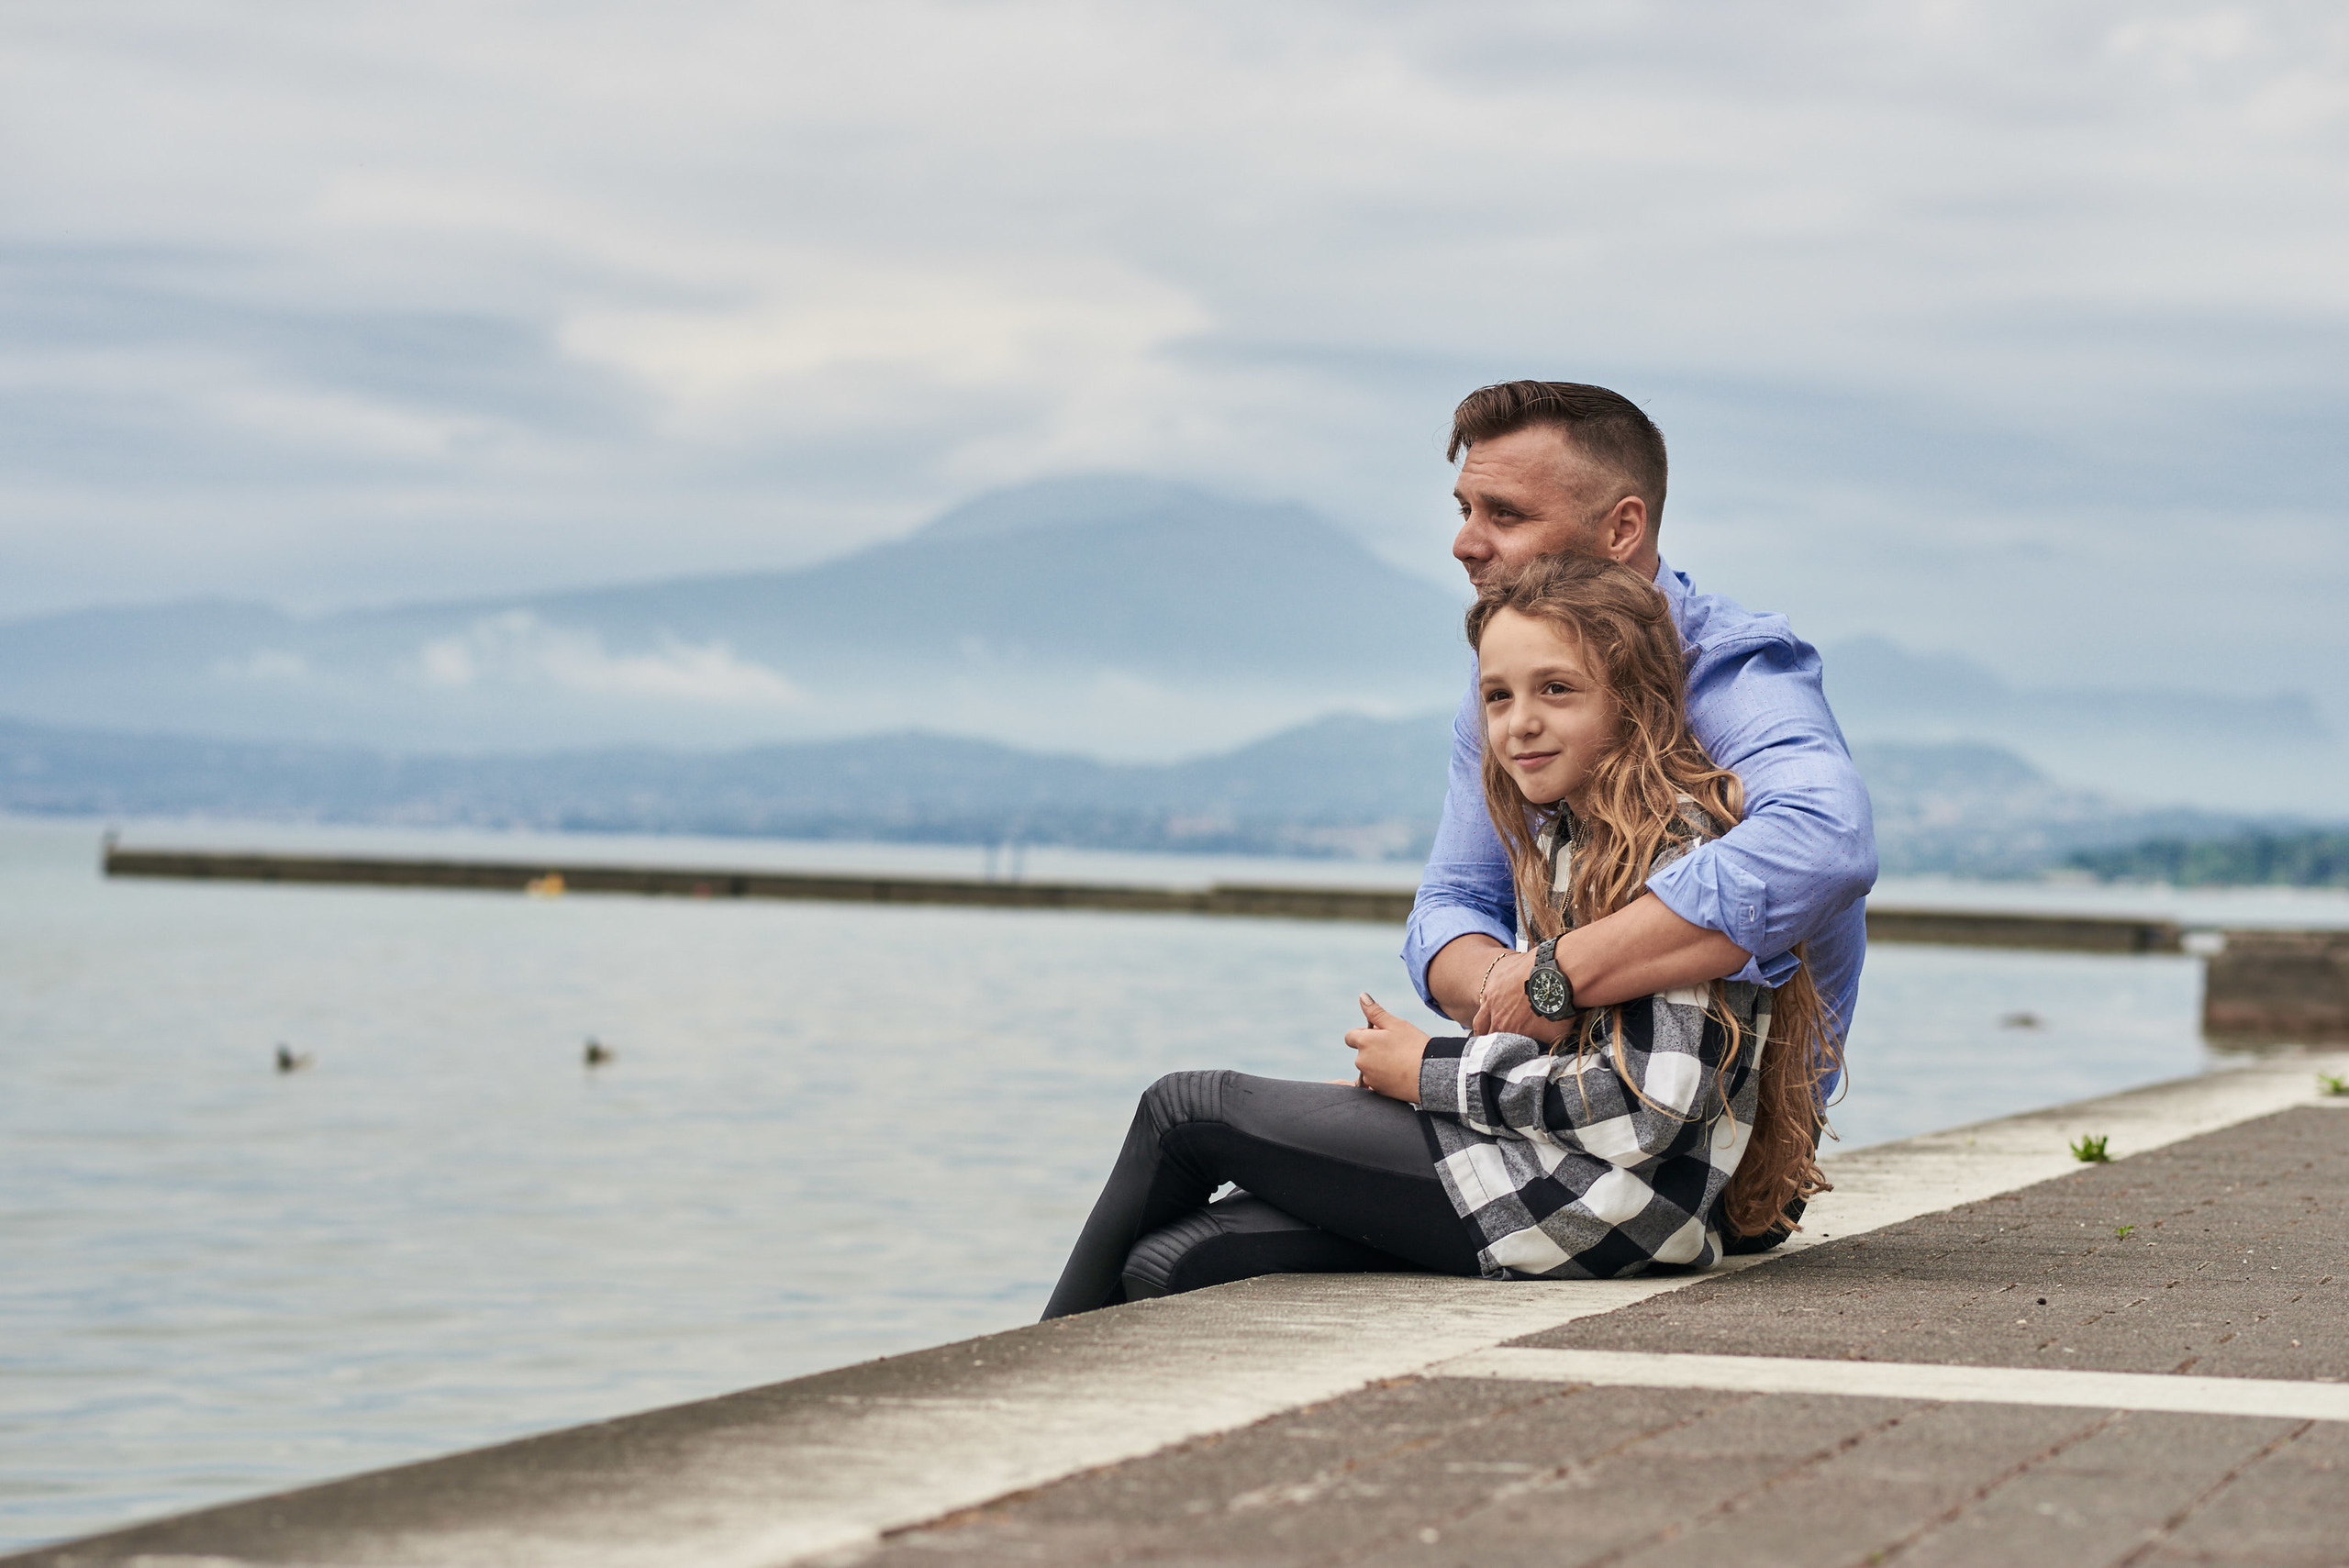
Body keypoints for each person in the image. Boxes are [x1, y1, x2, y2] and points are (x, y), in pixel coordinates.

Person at [1040, 556, 1839, 1317]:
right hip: (1560, 1177)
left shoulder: (1676, 847)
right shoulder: (1573, 836)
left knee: (1185, 1110)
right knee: (1175, 1258)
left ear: (1631, 699)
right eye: (1497, 696)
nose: (1519, 723)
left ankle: (1012, 1388)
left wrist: (1430, 1070)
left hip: (1600, 1206)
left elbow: (1644, 1113)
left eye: (1555, 689)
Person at [1410, 383, 1874, 1129]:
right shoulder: (1501, 690)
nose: (1466, 542)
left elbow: (1828, 835)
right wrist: (1520, 989)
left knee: (1211, 1119)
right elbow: (1452, 902)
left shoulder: (1726, 667)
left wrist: (1559, 976)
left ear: (1623, 528)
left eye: (1506, 514)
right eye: (1466, 510)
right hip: (1558, 1111)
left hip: (1719, 1158)